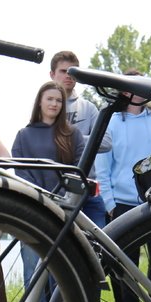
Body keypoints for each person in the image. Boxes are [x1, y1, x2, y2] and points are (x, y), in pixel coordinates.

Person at [93, 68, 151, 302]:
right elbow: (103, 167)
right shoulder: (111, 122)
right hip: (122, 204)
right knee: (126, 265)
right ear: (125, 91)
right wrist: (110, 205)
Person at [11, 81, 86, 302]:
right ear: (40, 102)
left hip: (63, 211)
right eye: (50, 99)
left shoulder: (72, 134)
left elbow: (80, 170)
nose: (54, 103)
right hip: (31, 210)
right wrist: (41, 196)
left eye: (59, 100)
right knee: (32, 272)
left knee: (61, 273)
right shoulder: (23, 135)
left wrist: (61, 198)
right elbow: (21, 172)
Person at [48, 50, 110, 229]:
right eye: (63, 71)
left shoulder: (89, 108)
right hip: (56, 189)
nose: (68, 75)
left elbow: (106, 142)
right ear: (52, 74)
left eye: (72, 71)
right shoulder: (44, 107)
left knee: (100, 241)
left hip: (87, 189)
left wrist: (70, 137)